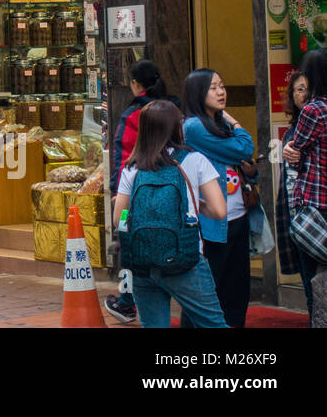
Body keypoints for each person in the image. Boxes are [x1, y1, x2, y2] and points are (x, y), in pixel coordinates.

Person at [114, 99, 228, 328]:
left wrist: (130, 217)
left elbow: (120, 218)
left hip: (143, 262)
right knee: (213, 324)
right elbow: (219, 211)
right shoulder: (195, 160)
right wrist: (197, 204)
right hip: (185, 259)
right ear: (177, 127)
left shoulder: (132, 166)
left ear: (144, 129)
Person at [182, 68, 256, 328]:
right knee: (208, 290)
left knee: (236, 290)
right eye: (213, 87)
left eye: (222, 86)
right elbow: (245, 148)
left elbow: (241, 159)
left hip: (237, 216)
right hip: (211, 222)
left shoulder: (217, 125)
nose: (221, 91)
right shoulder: (193, 127)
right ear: (198, 92)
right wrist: (234, 121)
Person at [106, 59, 173, 323]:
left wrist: (116, 189)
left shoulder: (134, 113)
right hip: (170, 189)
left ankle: (126, 301)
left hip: (134, 192)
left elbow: (122, 154)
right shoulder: (172, 108)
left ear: (135, 84)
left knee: (127, 241)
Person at [284, 49, 327, 321]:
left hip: (315, 202)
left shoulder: (314, 110)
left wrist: (290, 149)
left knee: (313, 279)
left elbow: (296, 150)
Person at [276, 70, 317, 318]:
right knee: (310, 287)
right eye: (299, 89)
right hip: (298, 217)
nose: (304, 94)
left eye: (308, 88)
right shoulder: (292, 132)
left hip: (316, 213)